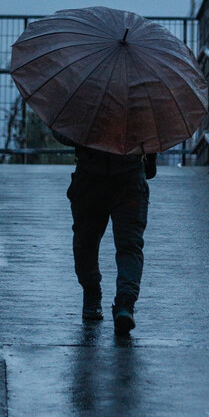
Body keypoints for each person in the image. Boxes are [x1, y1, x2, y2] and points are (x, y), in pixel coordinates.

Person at [53, 130, 157, 334]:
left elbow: (63, 133)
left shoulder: (86, 100)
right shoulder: (139, 101)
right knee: (130, 246)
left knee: (86, 242)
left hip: (90, 176)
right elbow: (152, 134)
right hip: (129, 177)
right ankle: (125, 305)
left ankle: (92, 295)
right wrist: (150, 160)